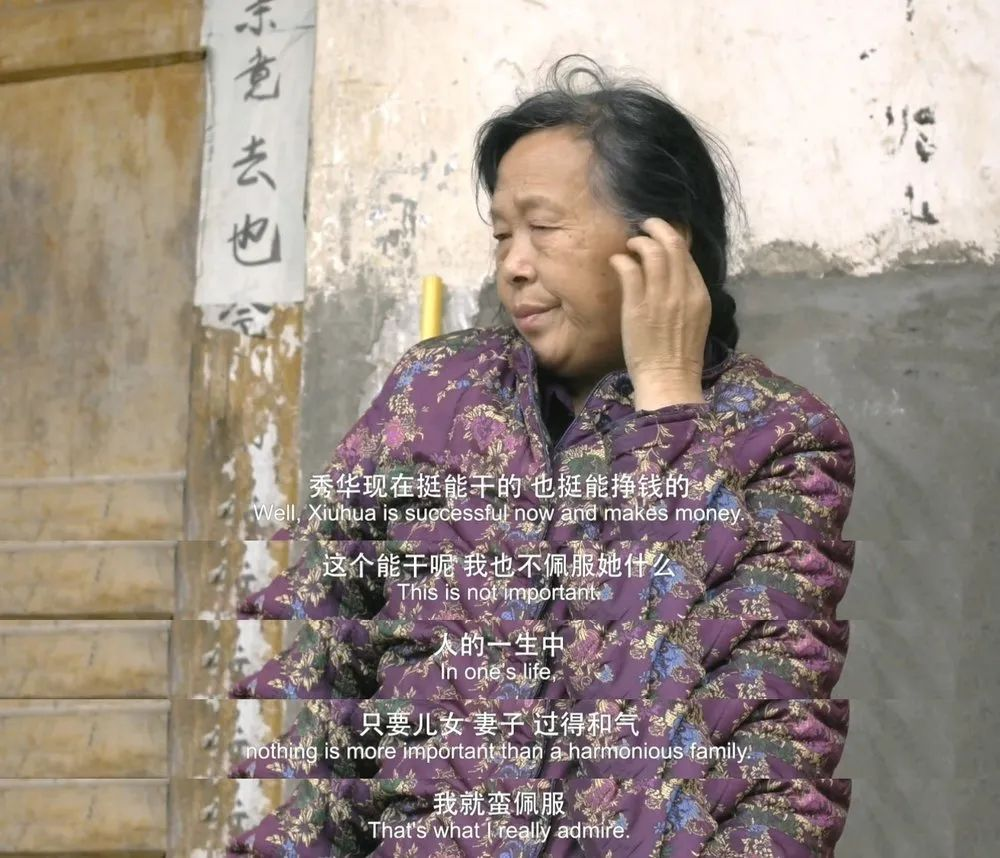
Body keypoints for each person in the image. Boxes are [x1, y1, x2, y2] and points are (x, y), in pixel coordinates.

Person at [228, 55, 855, 857]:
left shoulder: (778, 440)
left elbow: (754, 779)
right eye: (502, 235)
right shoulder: (432, 397)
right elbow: (333, 681)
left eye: (545, 228)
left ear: (662, 244)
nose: (514, 264)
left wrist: (668, 413)